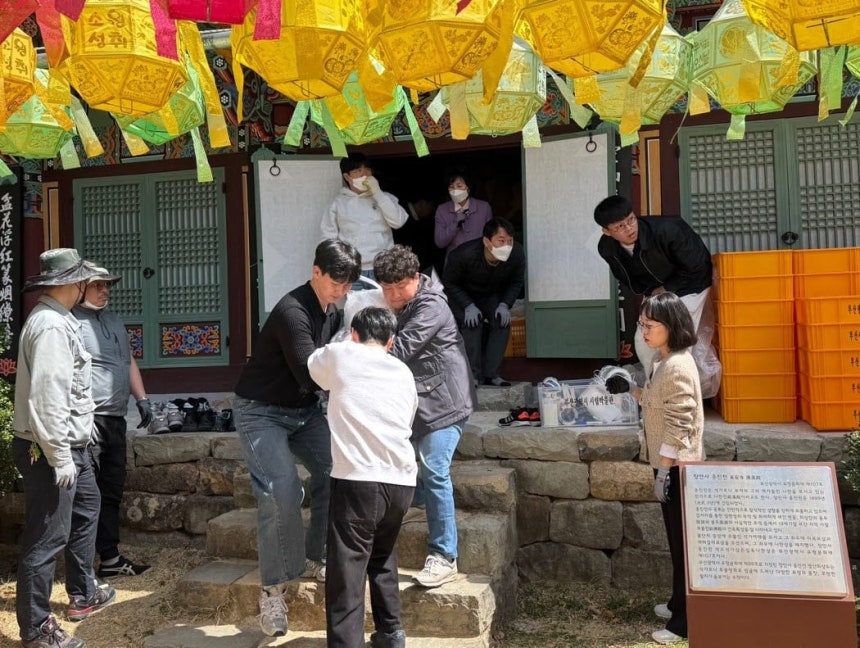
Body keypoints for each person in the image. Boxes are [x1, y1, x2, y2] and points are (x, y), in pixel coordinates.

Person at [233, 239, 361, 637]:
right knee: (281, 490)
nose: (340, 291)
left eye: (347, 285)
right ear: (316, 272)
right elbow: (311, 373)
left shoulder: (334, 310)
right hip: (261, 411)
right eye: (334, 282)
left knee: (337, 470)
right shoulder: (292, 311)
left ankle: (319, 554)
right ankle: (273, 588)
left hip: (304, 412)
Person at [13, 248, 116, 648]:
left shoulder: (59, 320)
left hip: (74, 444)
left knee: (87, 511)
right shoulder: (51, 327)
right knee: (46, 536)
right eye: (84, 281)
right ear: (72, 284)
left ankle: (82, 591)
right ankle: (36, 628)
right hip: (52, 448)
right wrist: (58, 455)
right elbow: (48, 397)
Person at [308, 307, 418, 648]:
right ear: (391, 341)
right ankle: (391, 633)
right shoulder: (403, 370)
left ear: (353, 333)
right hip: (402, 479)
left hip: (358, 479)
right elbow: (410, 416)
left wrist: (340, 341)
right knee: (382, 557)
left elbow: (313, 367)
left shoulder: (341, 353)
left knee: (346, 571)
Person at [606, 291, 705, 646]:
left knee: (682, 546)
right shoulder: (665, 359)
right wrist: (631, 390)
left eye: (650, 325)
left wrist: (664, 471)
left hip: (677, 468)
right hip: (667, 467)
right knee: (676, 542)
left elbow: (680, 422)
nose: (643, 332)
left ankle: (684, 623)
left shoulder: (678, 364)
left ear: (671, 326)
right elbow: (659, 402)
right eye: (641, 324)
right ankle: (678, 603)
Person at [373, 245, 475, 588]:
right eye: (386, 289)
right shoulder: (394, 305)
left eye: (400, 286)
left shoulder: (431, 305)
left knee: (434, 468)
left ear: (416, 278)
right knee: (398, 468)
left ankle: (444, 555)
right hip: (415, 404)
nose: (393, 295)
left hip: (446, 401)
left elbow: (400, 350)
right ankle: (413, 505)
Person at [593, 195, 719, 395]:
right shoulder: (606, 248)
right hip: (656, 291)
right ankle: (657, 392)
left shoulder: (669, 229)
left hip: (690, 286)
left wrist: (668, 287)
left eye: (631, 220)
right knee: (643, 343)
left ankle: (679, 394)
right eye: (620, 227)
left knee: (673, 340)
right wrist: (654, 292)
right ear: (606, 231)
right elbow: (626, 276)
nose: (630, 228)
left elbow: (699, 265)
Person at [73, 264, 152, 579]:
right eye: (98, 286)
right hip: (89, 420)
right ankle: (81, 571)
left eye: (107, 286)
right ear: (81, 287)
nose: (105, 291)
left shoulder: (114, 320)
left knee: (111, 491)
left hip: (116, 418)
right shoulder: (72, 322)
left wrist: (142, 399)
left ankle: (109, 559)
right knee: (86, 496)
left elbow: (127, 359)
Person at [442, 218, 525, 387]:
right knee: (473, 324)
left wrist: (505, 304)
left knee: (502, 322)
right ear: (487, 241)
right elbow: (449, 283)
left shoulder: (516, 253)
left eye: (510, 241)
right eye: (501, 241)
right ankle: (473, 376)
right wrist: (467, 305)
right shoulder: (463, 254)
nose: (507, 246)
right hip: (462, 295)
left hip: (491, 294)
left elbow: (516, 282)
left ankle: (492, 374)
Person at [321, 152, 409, 280]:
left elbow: (398, 222)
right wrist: (336, 265)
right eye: (358, 170)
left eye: (367, 169)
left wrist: (377, 192)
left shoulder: (386, 198)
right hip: (353, 268)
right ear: (347, 176)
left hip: (384, 266)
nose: (365, 174)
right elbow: (328, 237)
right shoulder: (338, 203)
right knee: (356, 301)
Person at [434, 170, 493, 256]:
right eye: (451, 187)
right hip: (454, 263)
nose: (455, 190)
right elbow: (440, 242)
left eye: (459, 186)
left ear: (468, 188)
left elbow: (491, 237)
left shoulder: (484, 207)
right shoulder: (442, 210)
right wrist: (455, 224)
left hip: (478, 261)